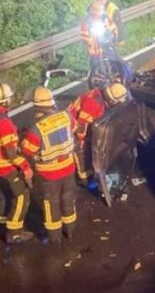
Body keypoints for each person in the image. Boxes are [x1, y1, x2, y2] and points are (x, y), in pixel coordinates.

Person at [21, 87, 77, 241]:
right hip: (68, 167)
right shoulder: (66, 116)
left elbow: (27, 150)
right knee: (68, 199)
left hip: (49, 174)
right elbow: (74, 128)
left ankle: (54, 236)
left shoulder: (37, 129)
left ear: (37, 106)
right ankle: (70, 231)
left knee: (51, 204)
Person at [70, 81, 129, 182]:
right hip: (74, 126)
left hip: (84, 121)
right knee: (81, 150)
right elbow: (82, 126)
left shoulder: (100, 93)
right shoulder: (93, 103)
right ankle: (84, 177)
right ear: (111, 99)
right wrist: (82, 140)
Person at [0, 81, 34, 245]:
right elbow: (10, 152)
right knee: (21, 196)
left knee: (3, 196)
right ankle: (14, 233)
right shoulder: (4, 122)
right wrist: (25, 167)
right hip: (4, 167)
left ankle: (3, 220)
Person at [80, 0, 122, 72]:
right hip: (95, 51)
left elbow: (113, 28)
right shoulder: (87, 21)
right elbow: (83, 35)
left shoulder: (105, 18)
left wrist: (113, 36)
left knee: (114, 64)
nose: (96, 13)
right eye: (94, 11)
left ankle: (117, 75)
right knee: (95, 69)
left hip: (107, 47)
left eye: (98, 11)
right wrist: (90, 41)